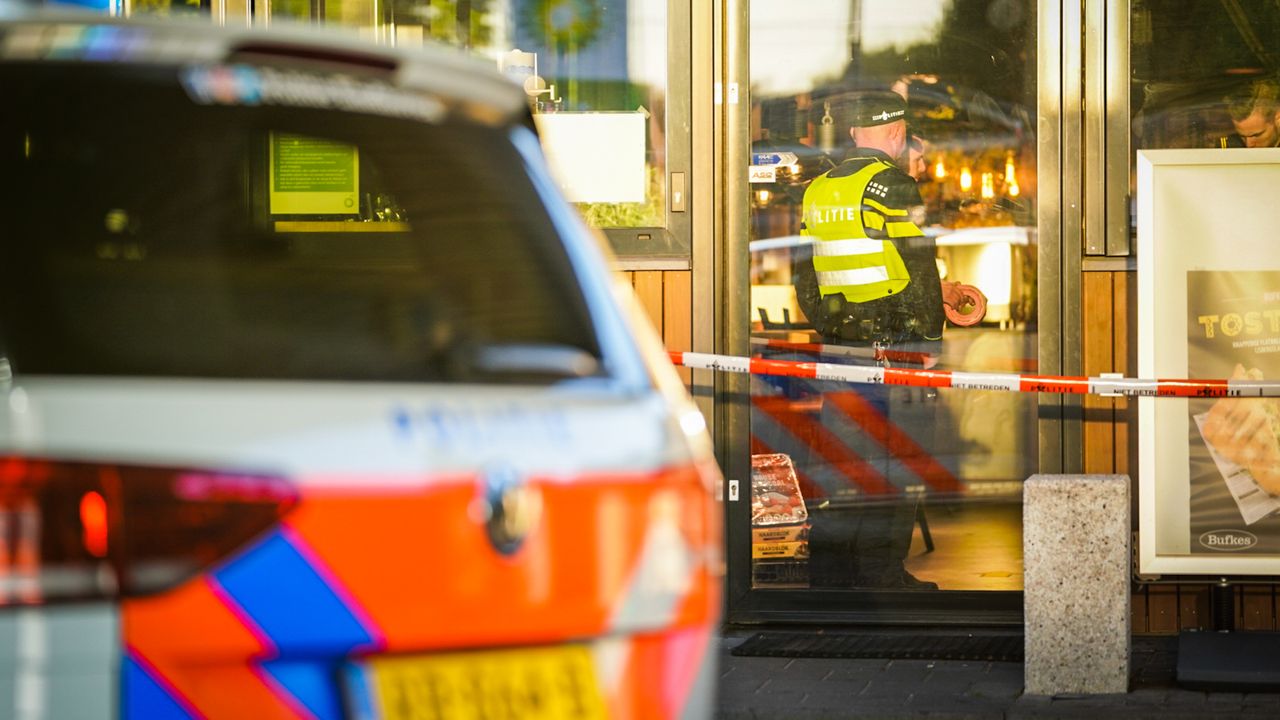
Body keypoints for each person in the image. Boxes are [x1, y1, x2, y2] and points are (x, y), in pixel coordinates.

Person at [791, 89, 946, 591]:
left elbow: (804, 274)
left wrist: (833, 326)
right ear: (897, 133)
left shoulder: (816, 191)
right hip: (895, 344)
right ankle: (881, 575)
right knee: (899, 462)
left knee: (842, 459)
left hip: (843, 346)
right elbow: (919, 269)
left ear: (855, 132)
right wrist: (929, 341)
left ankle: (831, 576)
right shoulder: (891, 185)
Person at [1222, 77, 1280, 148]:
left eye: (1256, 135)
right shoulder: (1228, 148)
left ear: (1278, 117)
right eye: (1242, 136)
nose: (1249, 145)